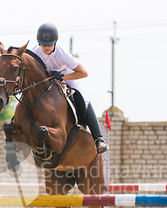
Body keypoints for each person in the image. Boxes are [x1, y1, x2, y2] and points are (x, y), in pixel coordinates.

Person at [31, 23, 109, 154]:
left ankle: (98, 138)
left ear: (55, 42)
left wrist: (62, 76)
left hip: (67, 76)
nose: (46, 47)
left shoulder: (63, 54)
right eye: (43, 44)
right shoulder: (34, 53)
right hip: (45, 80)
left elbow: (83, 72)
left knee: (82, 99)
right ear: (38, 43)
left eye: (49, 44)